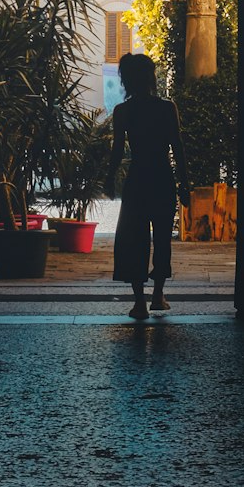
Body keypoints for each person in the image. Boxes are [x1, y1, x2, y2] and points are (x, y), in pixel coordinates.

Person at [103, 52, 191, 319]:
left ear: (127, 80)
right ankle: (158, 296)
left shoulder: (123, 111)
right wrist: (184, 183)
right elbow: (178, 147)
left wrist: (109, 178)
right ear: (151, 77)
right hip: (161, 178)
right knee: (162, 240)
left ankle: (139, 302)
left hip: (138, 179)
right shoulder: (167, 108)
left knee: (135, 240)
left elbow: (118, 151)